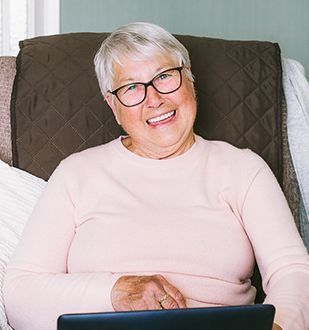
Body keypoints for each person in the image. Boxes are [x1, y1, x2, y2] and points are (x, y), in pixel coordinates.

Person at [3, 22, 309, 330]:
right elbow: (20, 293)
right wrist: (114, 292)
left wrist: (279, 326)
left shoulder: (244, 169)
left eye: (164, 77)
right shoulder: (76, 174)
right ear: (113, 105)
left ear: (189, 78)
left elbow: (293, 272)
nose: (154, 99)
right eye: (132, 87)